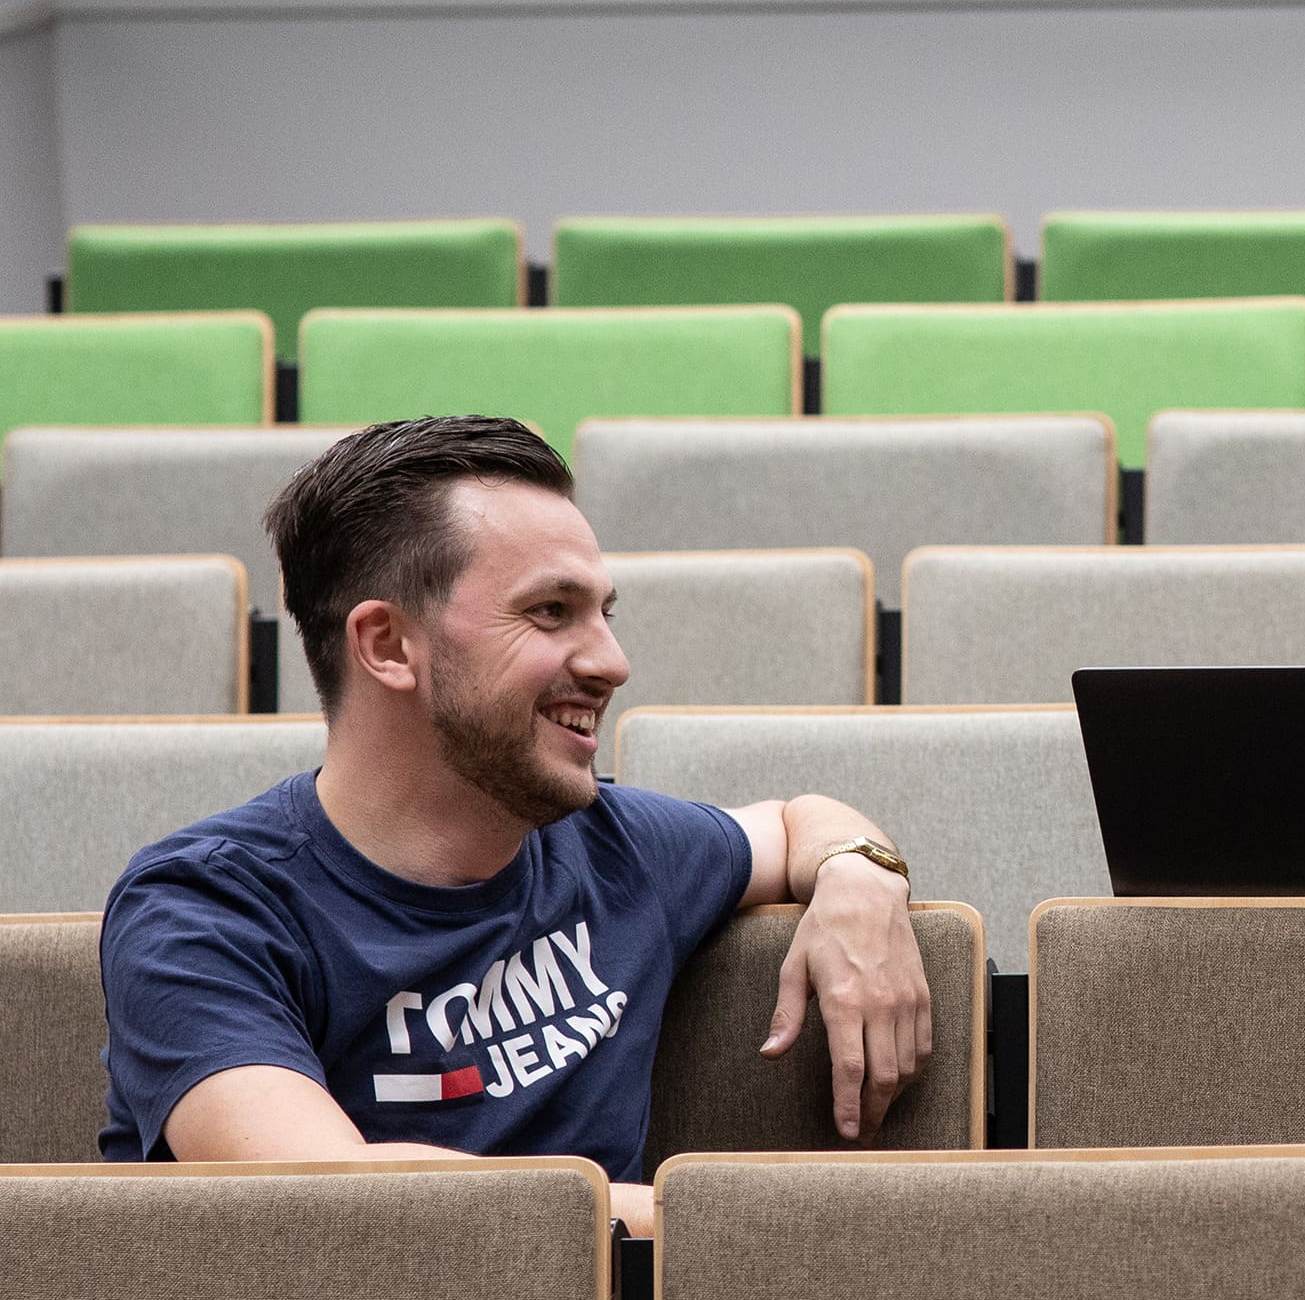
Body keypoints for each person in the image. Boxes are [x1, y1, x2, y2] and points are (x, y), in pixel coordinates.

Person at [99, 416, 931, 1237]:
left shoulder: (617, 846)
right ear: (387, 645)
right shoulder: (201, 910)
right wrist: (767, 1222)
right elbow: (331, 1197)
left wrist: (859, 874)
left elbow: (794, 826)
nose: (611, 662)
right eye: (550, 612)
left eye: (604, 612)